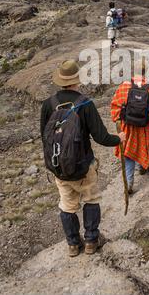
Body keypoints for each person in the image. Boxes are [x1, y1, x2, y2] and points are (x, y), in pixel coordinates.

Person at [40, 60, 126, 257]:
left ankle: (72, 244)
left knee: (67, 205)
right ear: (77, 80)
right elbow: (101, 137)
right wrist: (118, 139)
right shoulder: (85, 104)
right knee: (91, 199)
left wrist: (54, 163)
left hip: (59, 166)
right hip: (83, 165)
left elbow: (44, 137)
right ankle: (91, 241)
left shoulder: (48, 105)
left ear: (61, 80)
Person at [111, 62, 149, 195]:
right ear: (146, 72)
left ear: (134, 71)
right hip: (143, 127)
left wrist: (118, 120)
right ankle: (143, 166)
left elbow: (115, 106)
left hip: (128, 126)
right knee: (143, 145)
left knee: (128, 153)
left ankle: (128, 184)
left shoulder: (124, 86)